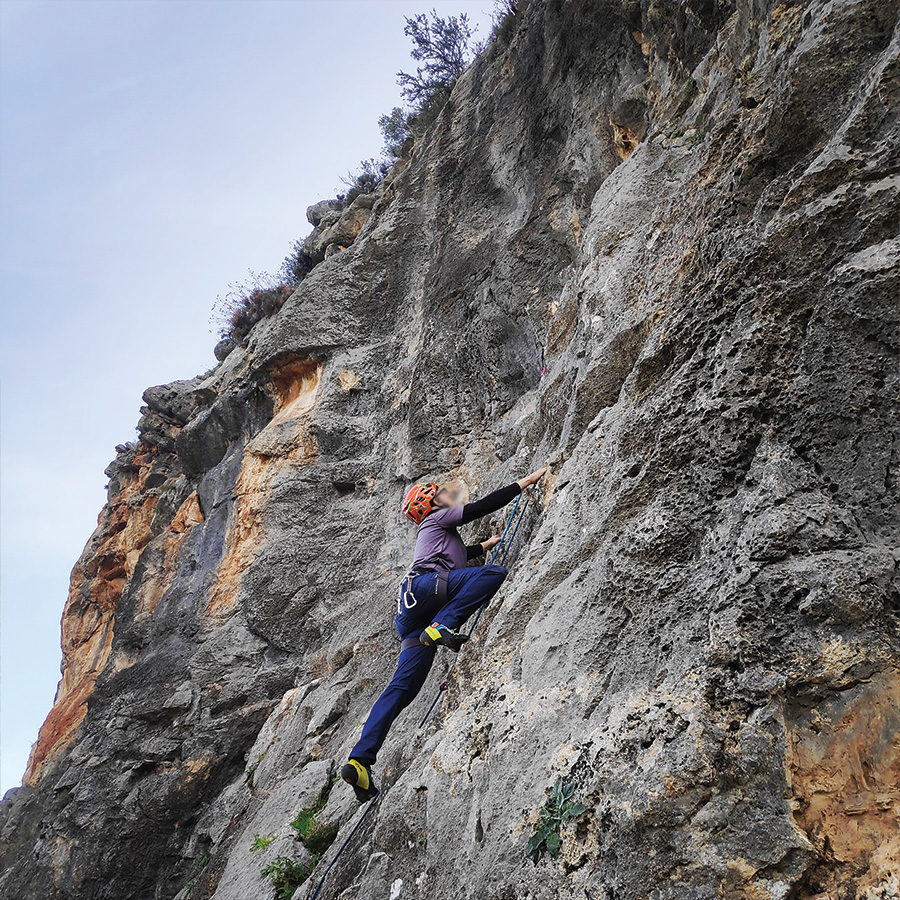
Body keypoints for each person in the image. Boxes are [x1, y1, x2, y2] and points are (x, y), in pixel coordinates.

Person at [340, 466, 547, 801]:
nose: (447, 496)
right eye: (440, 495)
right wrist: (524, 483)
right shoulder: (437, 518)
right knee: (493, 574)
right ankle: (442, 625)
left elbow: (454, 555)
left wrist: (483, 545)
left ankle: (359, 761)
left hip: (409, 612)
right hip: (427, 591)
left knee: (402, 689)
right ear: (433, 504)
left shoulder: (433, 533)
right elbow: (481, 507)